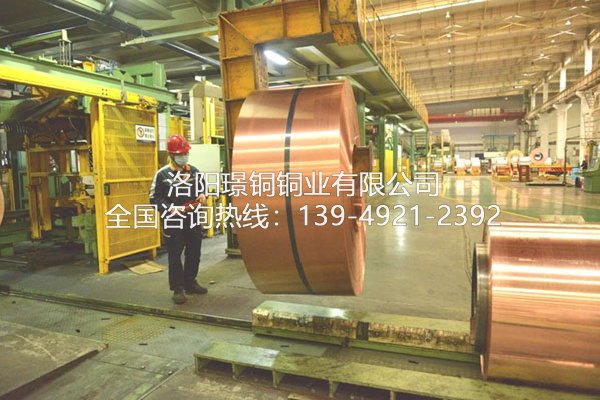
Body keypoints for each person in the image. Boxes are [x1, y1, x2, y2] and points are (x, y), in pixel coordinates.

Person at [149, 134, 207, 304]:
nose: (184, 156)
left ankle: (190, 282)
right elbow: (154, 198)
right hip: (174, 221)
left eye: (186, 153)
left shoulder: (194, 172)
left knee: (194, 252)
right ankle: (178, 288)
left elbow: (203, 189)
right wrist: (170, 209)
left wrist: (203, 195)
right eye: (181, 154)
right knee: (175, 255)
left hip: (192, 219)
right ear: (172, 155)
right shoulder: (162, 175)